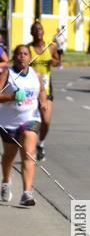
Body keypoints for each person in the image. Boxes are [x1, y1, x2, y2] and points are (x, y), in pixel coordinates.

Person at [0, 44, 49, 206]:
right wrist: (12, 96)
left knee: (28, 152)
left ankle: (27, 193)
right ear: (15, 57)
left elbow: (42, 91)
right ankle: (6, 181)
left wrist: (43, 102)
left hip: (30, 118)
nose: (22, 56)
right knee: (9, 156)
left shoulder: (36, 75)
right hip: (8, 122)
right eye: (19, 54)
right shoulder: (7, 74)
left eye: (25, 54)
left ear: (30, 57)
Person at [29, 21, 59, 161]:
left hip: (46, 89)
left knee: (46, 121)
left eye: (40, 29)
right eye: (35, 29)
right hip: (31, 89)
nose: (38, 31)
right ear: (32, 33)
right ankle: (31, 145)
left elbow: (57, 61)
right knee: (34, 120)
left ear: (43, 32)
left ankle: (40, 144)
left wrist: (53, 62)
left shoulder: (51, 47)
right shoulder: (28, 49)